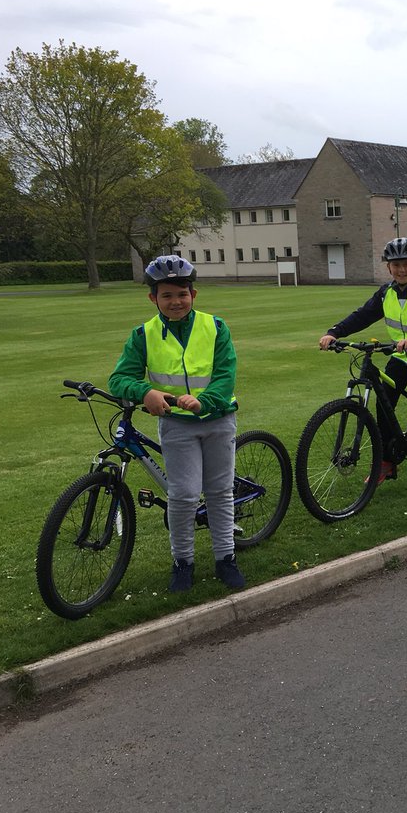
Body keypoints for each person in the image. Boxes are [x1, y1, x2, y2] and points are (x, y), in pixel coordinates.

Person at [109, 254, 244, 593]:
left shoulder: (215, 327)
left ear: (193, 295)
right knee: (183, 495)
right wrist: (144, 391)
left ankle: (225, 558)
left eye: (182, 294)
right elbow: (119, 378)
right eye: (166, 296)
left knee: (219, 491)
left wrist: (205, 401)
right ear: (153, 298)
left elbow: (226, 375)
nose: (175, 302)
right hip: (177, 426)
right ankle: (182, 562)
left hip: (218, 419)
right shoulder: (143, 334)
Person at [318, 237, 407, 495]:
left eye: (406, 264)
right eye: (396, 265)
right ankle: (387, 462)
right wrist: (335, 332)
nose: (401, 270)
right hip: (402, 357)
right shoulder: (387, 292)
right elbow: (363, 314)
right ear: (388, 268)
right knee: (383, 405)